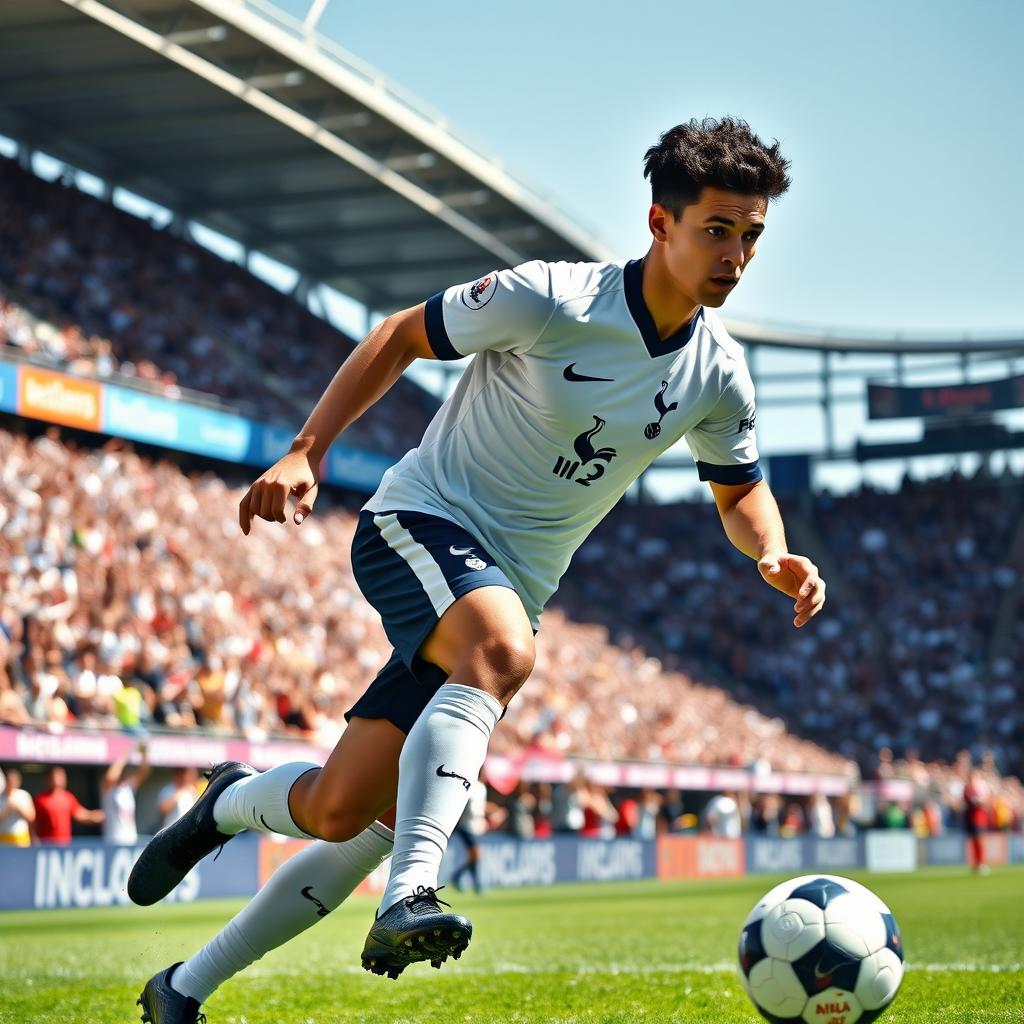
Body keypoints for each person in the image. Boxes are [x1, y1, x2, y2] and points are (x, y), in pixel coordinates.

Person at [129, 117, 827, 1022]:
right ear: (661, 223)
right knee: (502, 653)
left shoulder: (718, 375)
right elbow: (398, 336)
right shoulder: (551, 298)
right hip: (420, 524)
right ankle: (411, 892)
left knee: (346, 817)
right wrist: (307, 449)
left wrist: (769, 552)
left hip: (499, 594)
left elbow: (739, 490)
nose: (736, 255)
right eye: (718, 230)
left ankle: (189, 956)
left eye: (752, 237)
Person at [33, 766, 104, 845]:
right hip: (46, 845)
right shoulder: (40, 800)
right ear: (49, 778)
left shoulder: (68, 797)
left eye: (62, 776)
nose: (60, 779)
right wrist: (34, 839)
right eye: (57, 776)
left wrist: (97, 816)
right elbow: (33, 822)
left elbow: (81, 814)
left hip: (65, 845)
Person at [101, 741, 151, 845]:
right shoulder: (109, 789)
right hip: (113, 841)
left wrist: (144, 755)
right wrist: (126, 755)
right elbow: (111, 777)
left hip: (131, 840)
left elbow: (144, 772)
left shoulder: (128, 788)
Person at [0, 766, 35, 846]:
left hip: (22, 841)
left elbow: (31, 817)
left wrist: (18, 808)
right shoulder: (0, 797)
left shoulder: (24, 795)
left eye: (14, 780)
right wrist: (8, 809)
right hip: (3, 842)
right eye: (9, 780)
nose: (12, 782)